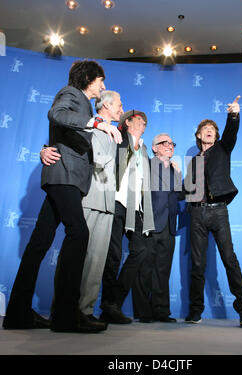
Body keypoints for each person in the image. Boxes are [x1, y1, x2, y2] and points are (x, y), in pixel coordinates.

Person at [3, 60, 117, 333]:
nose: (103, 86)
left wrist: (49, 146)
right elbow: (57, 114)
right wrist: (96, 122)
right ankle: (66, 316)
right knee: (78, 233)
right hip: (63, 176)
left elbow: (62, 133)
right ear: (90, 78)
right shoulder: (71, 94)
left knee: (39, 243)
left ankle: (18, 313)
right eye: (101, 80)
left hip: (63, 178)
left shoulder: (83, 102)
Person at [41, 90, 123, 323]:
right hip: (87, 199)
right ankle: (67, 310)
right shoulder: (87, 125)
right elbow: (64, 144)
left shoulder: (115, 133)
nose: (121, 108)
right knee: (79, 258)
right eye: (119, 103)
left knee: (96, 262)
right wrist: (44, 149)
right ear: (105, 105)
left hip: (108, 203)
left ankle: (85, 311)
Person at [184, 96, 242, 326]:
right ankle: (195, 311)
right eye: (205, 129)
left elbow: (231, 132)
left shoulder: (223, 148)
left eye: (212, 130)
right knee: (197, 263)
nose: (209, 131)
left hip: (218, 212)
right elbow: (188, 189)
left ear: (216, 136)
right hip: (197, 213)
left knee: (229, 259)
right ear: (198, 135)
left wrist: (233, 115)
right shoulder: (193, 160)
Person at [100, 110, 155, 324]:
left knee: (141, 249)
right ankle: (109, 308)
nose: (144, 123)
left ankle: (113, 301)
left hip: (136, 208)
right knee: (113, 256)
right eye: (141, 120)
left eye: (146, 121)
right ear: (128, 122)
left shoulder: (144, 151)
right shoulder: (117, 139)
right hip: (115, 202)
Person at [132, 133, 183, 323]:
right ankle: (143, 311)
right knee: (144, 269)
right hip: (149, 224)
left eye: (172, 143)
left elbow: (178, 196)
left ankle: (161, 311)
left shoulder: (175, 170)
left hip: (169, 226)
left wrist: (178, 175)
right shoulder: (146, 164)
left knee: (163, 271)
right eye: (165, 143)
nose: (170, 146)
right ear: (155, 148)